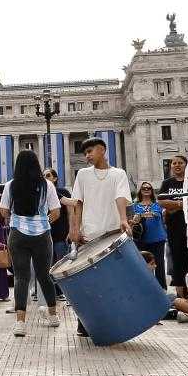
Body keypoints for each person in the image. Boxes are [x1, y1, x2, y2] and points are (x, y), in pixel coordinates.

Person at [68, 137, 133, 337]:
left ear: (102, 150)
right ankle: (84, 323)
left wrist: (123, 219)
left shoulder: (118, 174)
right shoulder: (83, 175)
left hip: (112, 234)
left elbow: (120, 196)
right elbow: (77, 203)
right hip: (89, 234)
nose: (87, 156)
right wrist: (75, 229)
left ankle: (114, 321)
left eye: (90, 151)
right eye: (85, 152)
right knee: (88, 282)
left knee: (114, 280)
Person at [0, 150, 61, 337]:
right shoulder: (47, 185)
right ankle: (52, 315)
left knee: (21, 277)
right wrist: (43, 222)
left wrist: (15, 220)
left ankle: (20, 323)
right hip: (42, 235)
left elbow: (3, 210)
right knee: (44, 276)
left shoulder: (11, 185)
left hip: (18, 235)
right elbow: (56, 211)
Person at [158, 155, 188, 299]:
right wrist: (181, 204)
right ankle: (181, 295)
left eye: (180, 163)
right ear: (170, 166)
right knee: (177, 259)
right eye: (174, 163)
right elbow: (161, 202)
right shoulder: (167, 183)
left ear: (186, 165)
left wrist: (174, 205)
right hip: (174, 226)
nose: (177, 165)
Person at [131, 182, 167, 289]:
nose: (146, 189)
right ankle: (144, 287)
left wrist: (139, 216)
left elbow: (155, 214)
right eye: (143, 188)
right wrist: (133, 220)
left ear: (151, 190)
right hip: (141, 240)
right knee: (143, 264)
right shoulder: (135, 206)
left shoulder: (157, 204)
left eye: (149, 188)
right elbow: (131, 220)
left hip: (157, 239)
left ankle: (161, 288)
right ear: (140, 191)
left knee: (159, 264)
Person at [45, 168, 70, 300]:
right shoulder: (42, 193)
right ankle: (52, 292)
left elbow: (71, 210)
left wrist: (71, 229)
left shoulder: (62, 192)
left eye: (48, 175)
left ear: (54, 178)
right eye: (43, 176)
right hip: (46, 234)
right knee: (48, 265)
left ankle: (63, 291)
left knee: (61, 262)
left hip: (61, 233)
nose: (45, 177)